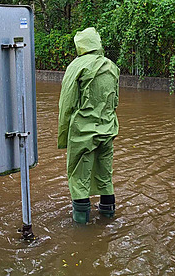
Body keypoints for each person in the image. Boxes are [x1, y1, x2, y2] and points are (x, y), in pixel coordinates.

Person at [57, 27, 120, 224]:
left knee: (78, 178)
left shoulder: (77, 67)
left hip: (82, 132)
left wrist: (63, 135)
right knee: (105, 175)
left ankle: (81, 226)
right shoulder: (111, 67)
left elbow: (66, 104)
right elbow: (115, 101)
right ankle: (108, 217)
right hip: (108, 129)